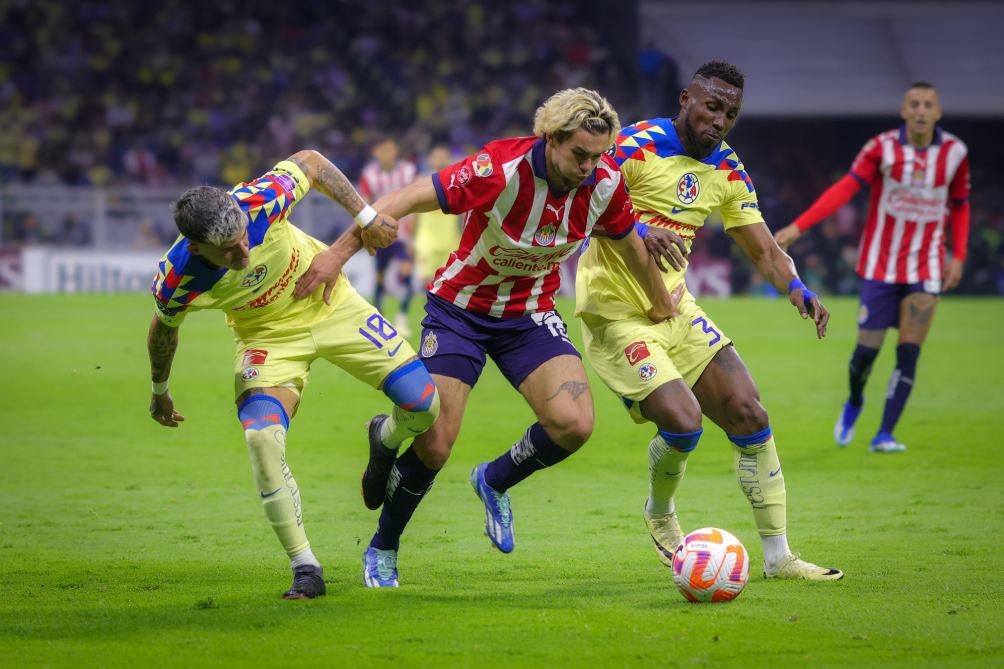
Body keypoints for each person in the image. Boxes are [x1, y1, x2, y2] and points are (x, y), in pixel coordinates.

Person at [295, 88, 678, 587]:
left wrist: (660, 303)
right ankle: (383, 544)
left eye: (597, 155)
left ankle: (494, 479)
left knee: (574, 424)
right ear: (551, 138)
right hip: (460, 312)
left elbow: (630, 242)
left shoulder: (603, 182)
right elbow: (406, 197)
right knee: (434, 445)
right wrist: (338, 253)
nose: (588, 166)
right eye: (579, 154)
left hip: (529, 316)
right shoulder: (500, 169)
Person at [576, 61, 843, 581]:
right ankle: (659, 513)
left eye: (731, 114)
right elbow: (580, 195)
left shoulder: (727, 168)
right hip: (615, 313)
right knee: (683, 421)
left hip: (675, 309)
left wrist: (796, 287)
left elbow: (762, 248)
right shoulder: (635, 144)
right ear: (686, 99)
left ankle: (778, 558)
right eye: (712, 107)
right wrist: (635, 228)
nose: (719, 120)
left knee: (750, 414)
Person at [147, 150, 440, 599]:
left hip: (330, 302)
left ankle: (384, 439)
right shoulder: (177, 278)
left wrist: (362, 217)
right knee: (260, 438)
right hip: (267, 339)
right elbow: (163, 330)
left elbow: (312, 162)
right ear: (195, 247)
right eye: (227, 251)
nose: (242, 252)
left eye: (244, 239)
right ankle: (306, 567)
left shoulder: (259, 200)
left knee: (424, 404)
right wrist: (160, 389)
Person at [775, 82, 970, 454]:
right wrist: (801, 225)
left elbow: (960, 204)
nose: (921, 110)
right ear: (903, 110)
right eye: (914, 104)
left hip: (926, 268)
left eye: (928, 104)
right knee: (866, 355)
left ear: (938, 112)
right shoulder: (881, 148)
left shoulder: (955, 153)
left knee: (909, 352)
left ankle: (885, 433)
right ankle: (854, 401)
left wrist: (957, 255)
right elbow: (846, 188)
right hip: (880, 266)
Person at [359, 137, 419, 337]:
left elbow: (418, 201)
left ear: (396, 150)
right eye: (383, 150)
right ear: (377, 152)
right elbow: (365, 206)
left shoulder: (408, 171)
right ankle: (381, 320)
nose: (388, 153)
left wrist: (413, 236)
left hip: (403, 235)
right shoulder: (370, 175)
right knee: (380, 279)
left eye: (391, 149)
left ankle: (402, 318)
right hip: (381, 236)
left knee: (406, 271)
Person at [411, 145, 462, 286]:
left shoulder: (457, 181)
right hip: (426, 239)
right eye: (437, 157)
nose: (441, 160)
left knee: (449, 281)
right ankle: (428, 307)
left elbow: (463, 213)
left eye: (444, 157)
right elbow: (414, 211)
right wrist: (411, 238)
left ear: (449, 159)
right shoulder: (422, 181)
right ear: (430, 160)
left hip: (451, 239)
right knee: (427, 280)